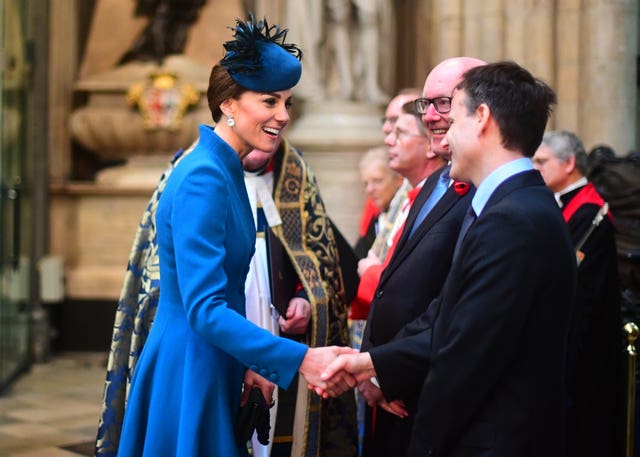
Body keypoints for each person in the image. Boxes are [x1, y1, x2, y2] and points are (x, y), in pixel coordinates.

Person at [114, 16, 355, 457]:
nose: (283, 116)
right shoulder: (203, 176)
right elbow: (205, 308)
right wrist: (300, 359)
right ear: (229, 104)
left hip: (212, 359)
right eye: (269, 101)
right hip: (190, 367)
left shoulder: (222, 166)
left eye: (286, 102)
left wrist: (247, 362)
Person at [321, 61, 577, 457]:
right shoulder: (505, 206)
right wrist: (371, 363)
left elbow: (466, 356)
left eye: (452, 117)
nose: (439, 132)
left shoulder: (514, 218)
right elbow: (446, 316)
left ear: (482, 118)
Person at [351, 57, 482, 457]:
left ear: (480, 107)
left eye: (442, 103)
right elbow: (396, 285)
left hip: (425, 393)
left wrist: (384, 370)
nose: (432, 117)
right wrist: (374, 370)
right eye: (425, 106)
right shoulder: (431, 186)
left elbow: (452, 304)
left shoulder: (484, 195)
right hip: (391, 387)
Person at [533, 130, 623, 457]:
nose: (535, 167)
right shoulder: (558, 203)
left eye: (542, 161)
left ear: (569, 163)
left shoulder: (589, 211)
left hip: (586, 342)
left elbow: (579, 285)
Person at [353, 146, 404, 258]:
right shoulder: (375, 221)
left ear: (399, 179)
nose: (369, 190)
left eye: (377, 181)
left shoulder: (407, 215)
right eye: (366, 183)